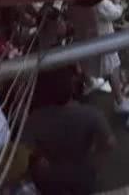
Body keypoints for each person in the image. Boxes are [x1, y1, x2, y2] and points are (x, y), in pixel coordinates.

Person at [22, 66, 116, 195]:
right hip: (83, 176)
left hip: (50, 179)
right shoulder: (91, 115)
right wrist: (96, 165)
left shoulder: (35, 119)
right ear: (71, 87)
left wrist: (39, 159)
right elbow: (109, 143)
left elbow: (25, 150)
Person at [68, 0, 129, 114]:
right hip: (103, 41)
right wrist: (117, 1)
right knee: (113, 67)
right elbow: (116, 13)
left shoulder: (72, 2)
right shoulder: (101, 5)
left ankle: (90, 83)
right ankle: (119, 101)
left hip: (83, 39)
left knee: (84, 61)